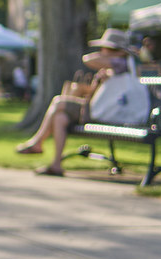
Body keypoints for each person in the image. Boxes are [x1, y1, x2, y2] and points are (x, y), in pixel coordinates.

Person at [15, 28, 150, 176]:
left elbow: (88, 59)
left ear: (113, 49)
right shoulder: (112, 69)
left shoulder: (121, 63)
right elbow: (96, 95)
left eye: (105, 48)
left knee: (59, 102)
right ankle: (56, 165)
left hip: (110, 114)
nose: (102, 51)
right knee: (60, 118)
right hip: (101, 111)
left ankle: (38, 142)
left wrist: (119, 54)